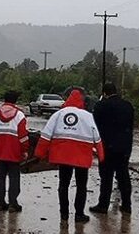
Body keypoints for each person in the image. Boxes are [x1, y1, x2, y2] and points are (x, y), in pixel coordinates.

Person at [35, 90, 104, 222]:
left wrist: (39, 154)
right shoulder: (88, 116)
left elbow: (45, 136)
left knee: (63, 185)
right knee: (81, 185)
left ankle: (64, 214)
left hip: (62, 156)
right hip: (82, 157)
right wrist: (101, 156)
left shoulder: (58, 114)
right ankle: (79, 214)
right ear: (81, 102)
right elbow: (97, 138)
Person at [91, 82, 135, 214]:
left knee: (106, 177)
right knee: (123, 176)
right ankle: (127, 205)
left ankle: (103, 205)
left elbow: (94, 124)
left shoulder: (101, 106)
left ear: (104, 93)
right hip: (125, 147)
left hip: (106, 147)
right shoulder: (128, 106)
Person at [0, 90, 29, 212]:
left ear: (4, 100)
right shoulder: (20, 115)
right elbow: (23, 136)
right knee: (14, 177)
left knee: (0, 176)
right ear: (15, 101)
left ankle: (0, 203)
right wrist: (25, 150)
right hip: (15, 152)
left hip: (0, 152)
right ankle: (12, 204)